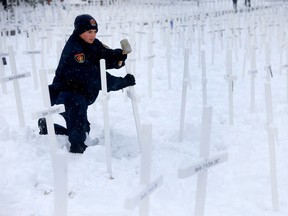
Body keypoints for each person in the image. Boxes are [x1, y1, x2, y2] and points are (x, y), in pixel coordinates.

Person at [38, 14, 136, 154]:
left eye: (95, 31)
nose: (93, 35)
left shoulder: (91, 43)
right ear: (80, 31)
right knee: (77, 122)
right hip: (65, 94)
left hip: (79, 92)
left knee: (83, 130)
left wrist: (119, 55)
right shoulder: (75, 50)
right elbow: (94, 76)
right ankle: (77, 146)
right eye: (89, 32)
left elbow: (104, 55)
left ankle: (47, 127)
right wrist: (121, 82)